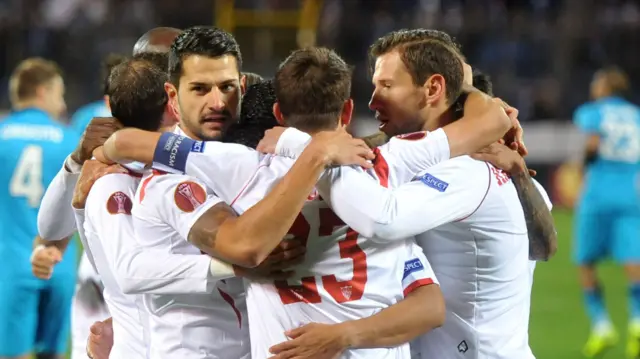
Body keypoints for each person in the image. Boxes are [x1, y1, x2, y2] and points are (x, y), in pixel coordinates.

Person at [95, 39, 515, 358]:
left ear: (278, 115)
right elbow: (428, 308)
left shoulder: (238, 167)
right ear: (347, 112)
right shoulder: (391, 166)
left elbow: (132, 143)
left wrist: (99, 154)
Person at [0, 58, 78, 359]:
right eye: (59, 93)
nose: (62, 103)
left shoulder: (2, 136)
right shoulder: (71, 140)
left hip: (11, 266)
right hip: (59, 263)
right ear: (43, 91)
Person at [573, 66, 640, 358]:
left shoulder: (594, 111)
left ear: (605, 87)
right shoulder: (636, 115)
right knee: (633, 261)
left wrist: (581, 166)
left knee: (584, 261)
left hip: (597, 195)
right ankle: (638, 320)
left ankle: (602, 326)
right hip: (631, 196)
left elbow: (593, 143)